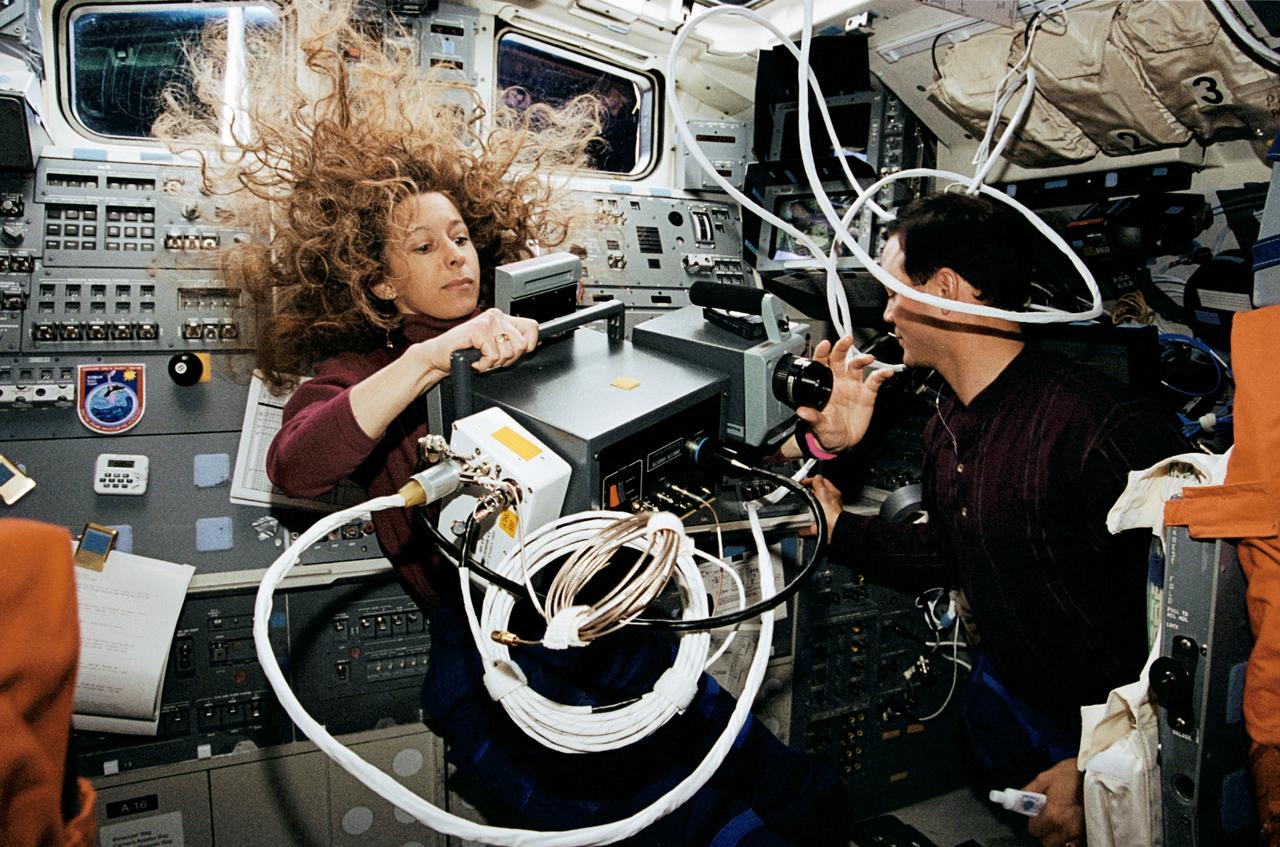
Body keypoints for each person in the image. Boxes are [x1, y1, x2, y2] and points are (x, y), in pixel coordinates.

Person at [158, 6, 849, 844]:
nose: (457, 256)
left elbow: (678, 439)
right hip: (500, 647)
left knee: (773, 778)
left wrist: (811, 438)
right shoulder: (363, 374)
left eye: (460, 236)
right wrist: (432, 358)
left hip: (619, 617)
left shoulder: (540, 330)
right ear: (376, 283)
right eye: (424, 247)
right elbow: (296, 464)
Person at [789, 192, 1188, 847]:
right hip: (1016, 704)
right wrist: (832, 479)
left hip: (1111, 735)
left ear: (945, 289)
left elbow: (1195, 632)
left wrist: (1113, 759)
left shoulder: (1103, 430)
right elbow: (953, 550)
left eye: (893, 289)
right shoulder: (947, 423)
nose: (885, 312)